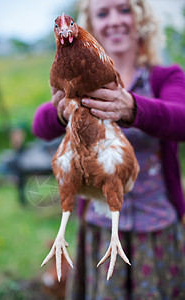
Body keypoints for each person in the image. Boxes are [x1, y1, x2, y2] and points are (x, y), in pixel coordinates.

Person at [32, 0, 185, 299]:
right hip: (101, 225)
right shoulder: (78, 80)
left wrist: (132, 107)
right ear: (91, 23)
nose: (114, 20)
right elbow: (40, 125)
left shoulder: (164, 77)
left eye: (124, 9)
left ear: (141, 18)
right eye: (103, 13)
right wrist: (63, 110)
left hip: (155, 223)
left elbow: (181, 119)